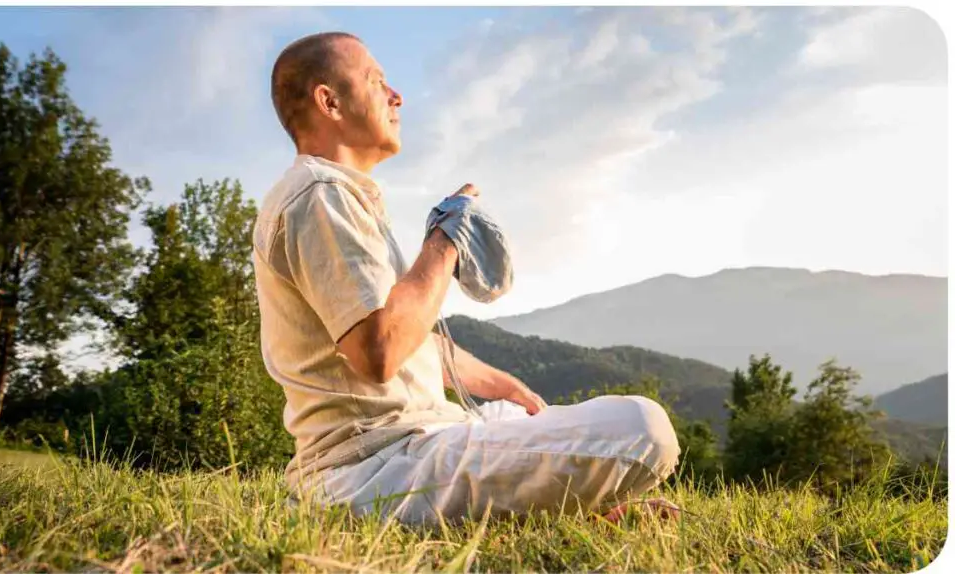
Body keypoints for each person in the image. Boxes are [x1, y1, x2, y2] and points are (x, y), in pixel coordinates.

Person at [253, 31, 681, 525]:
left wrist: (506, 385)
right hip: (369, 470)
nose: (397, 96)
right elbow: (379, 351)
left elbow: (417, 342)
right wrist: (445, 239)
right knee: (645, 427)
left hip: (420, 439)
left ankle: (566, 511)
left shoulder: (339, 197)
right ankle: (565, 511)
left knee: (513, 416)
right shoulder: (319, 193)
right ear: (329, 101)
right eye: (377, 81)